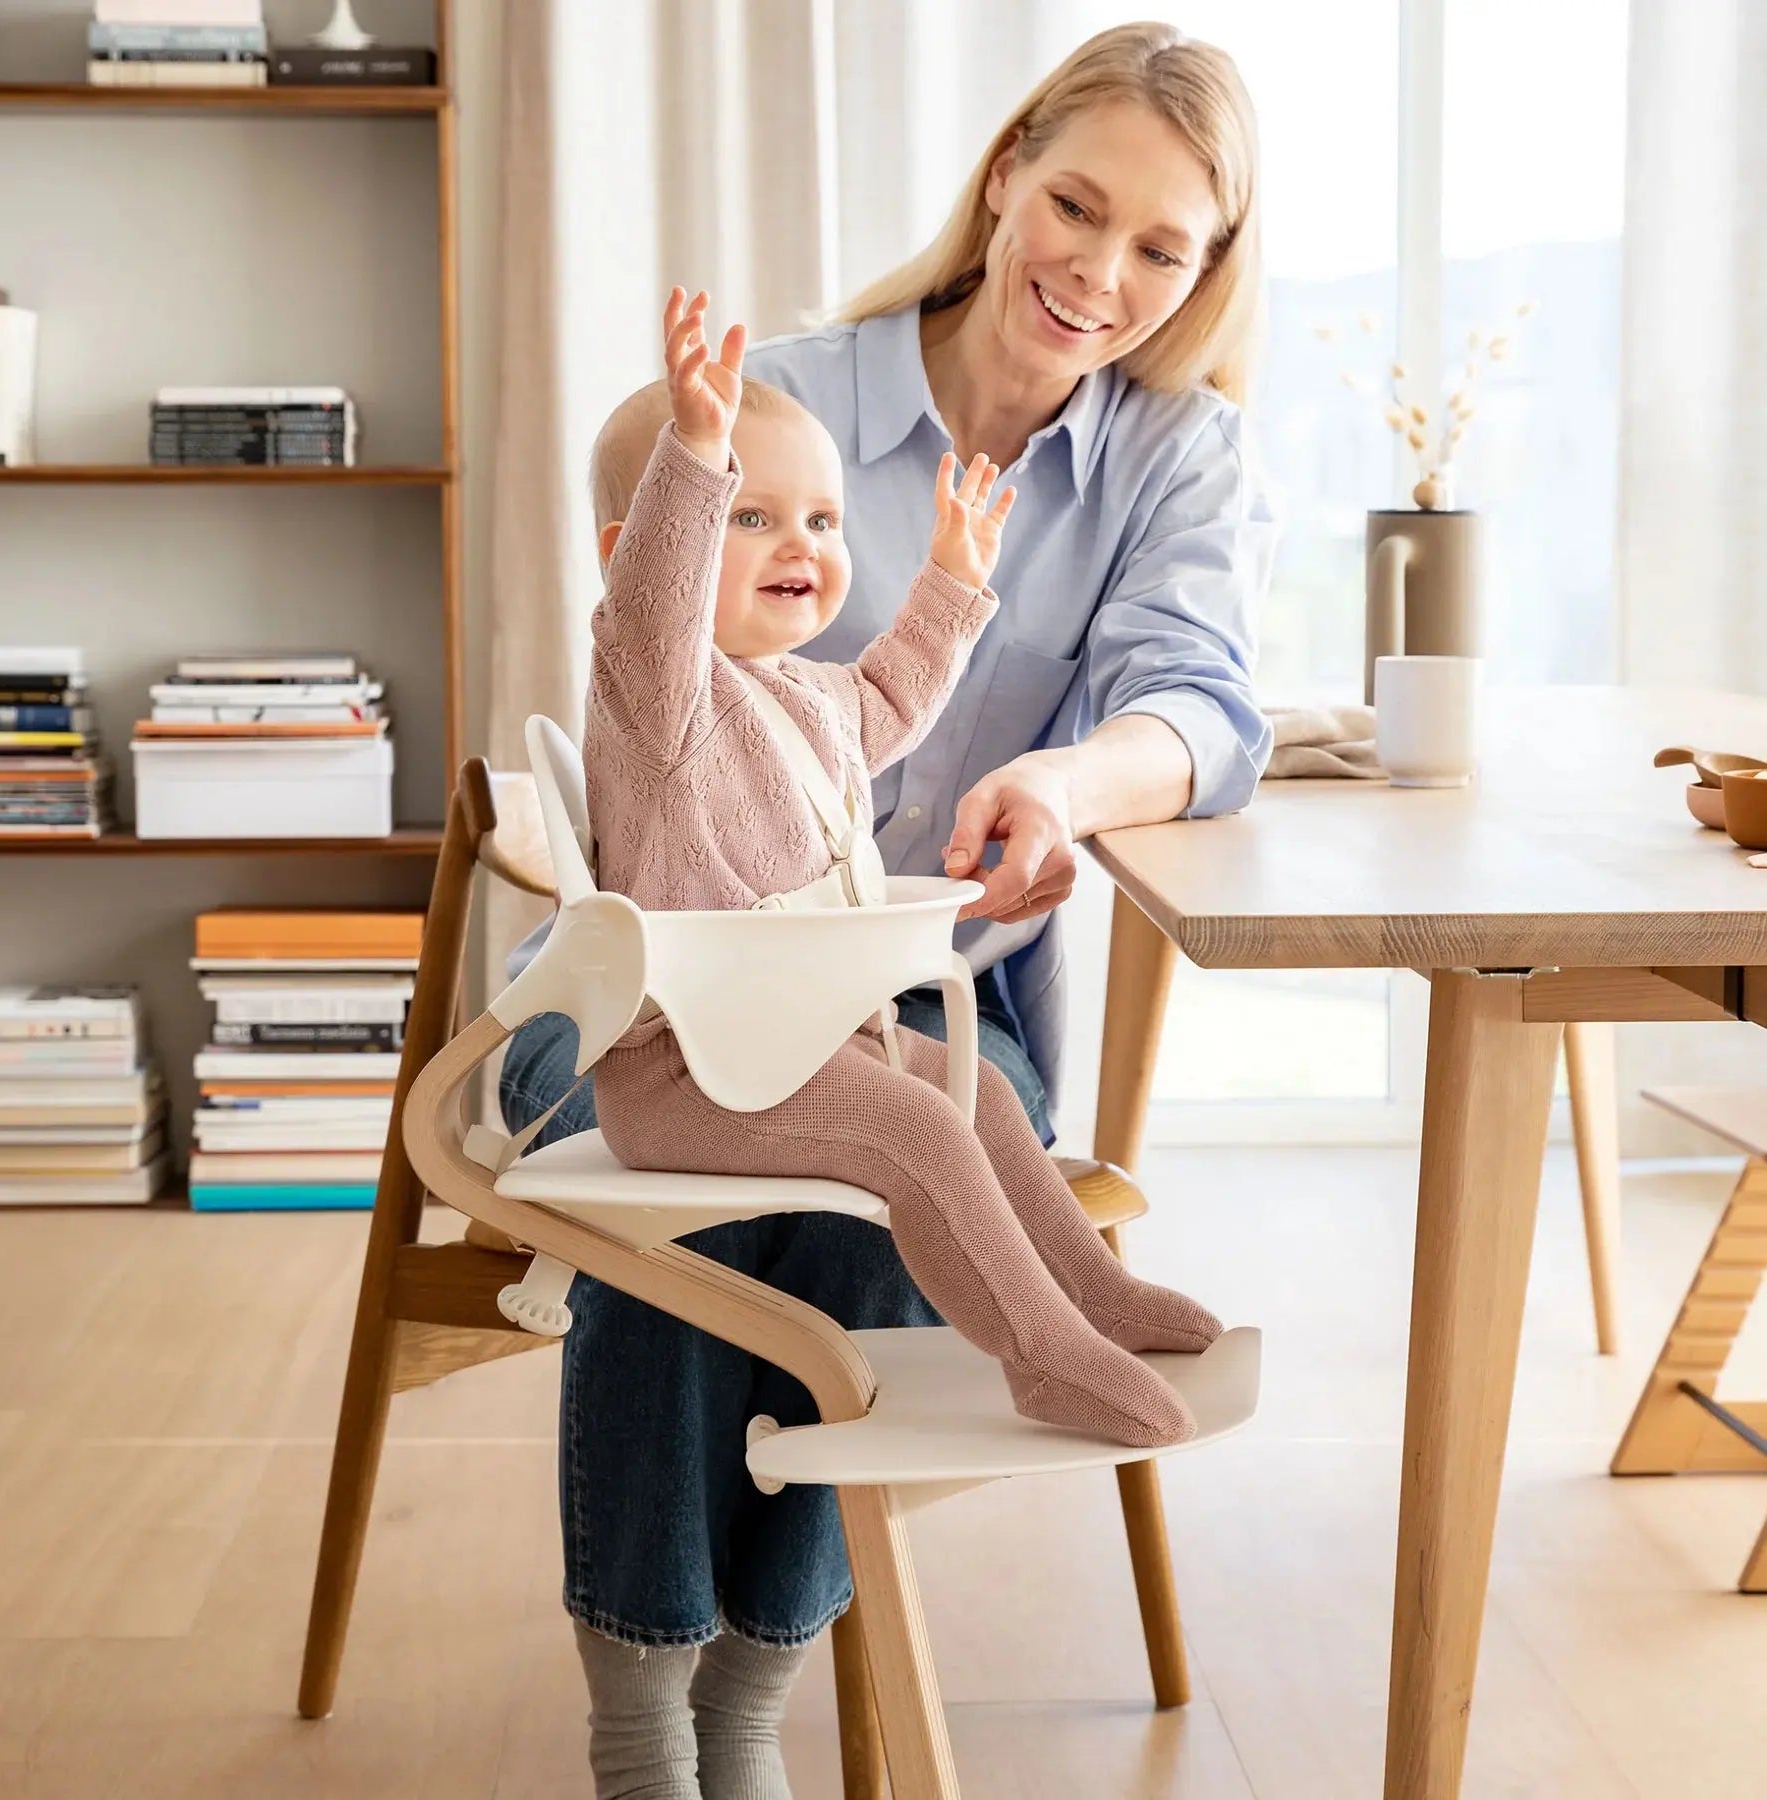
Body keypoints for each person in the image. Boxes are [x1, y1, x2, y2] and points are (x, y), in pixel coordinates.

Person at [500, 22, 1275, 1799]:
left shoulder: (1162, 461)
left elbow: (1162, 705)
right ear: (1002, 173)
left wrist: (1023, 705)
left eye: (1163, 244)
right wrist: (709, 453)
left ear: (1209, 267)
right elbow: (648, 596)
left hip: (901, 999)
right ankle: (645, 1703)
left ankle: (759, 1686)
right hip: (668, 1026)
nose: (1100, 270)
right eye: (1074, 204)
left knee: (931, 1130)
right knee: (705, 1234)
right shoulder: (749, 428)